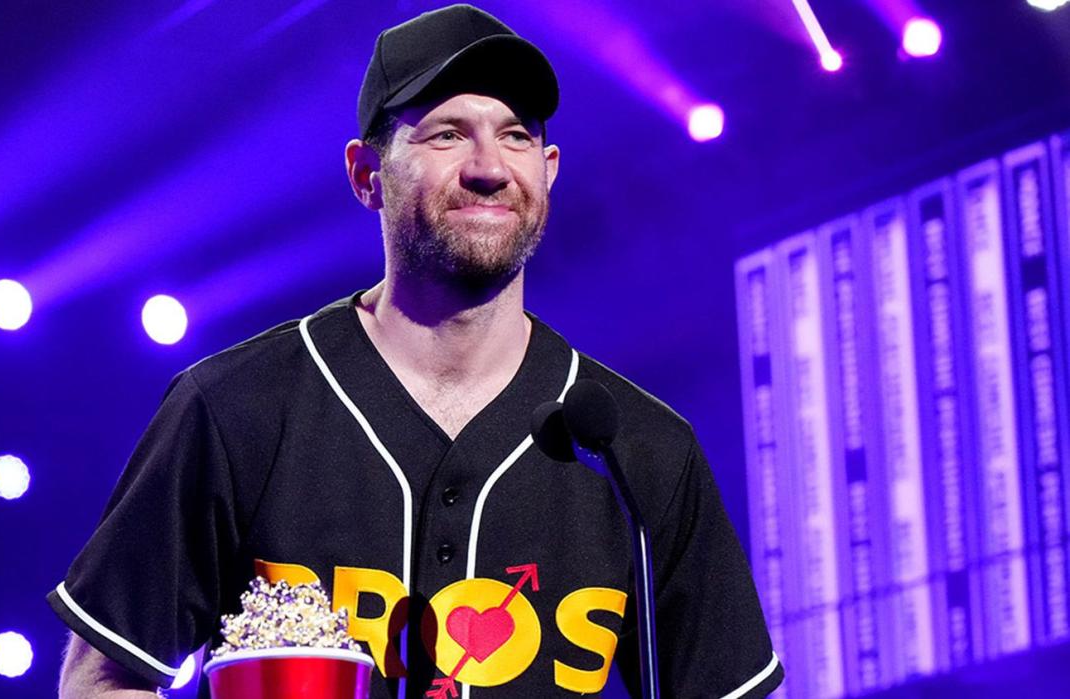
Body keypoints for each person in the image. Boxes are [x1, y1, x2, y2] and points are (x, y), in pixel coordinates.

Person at [49, 4, 784, 698]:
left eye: (516, 134)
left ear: (549, 169)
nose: (488, 165)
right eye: (445, 133)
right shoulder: (235, 408)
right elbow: (101, 680)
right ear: (367, 174)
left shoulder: (639, 449)